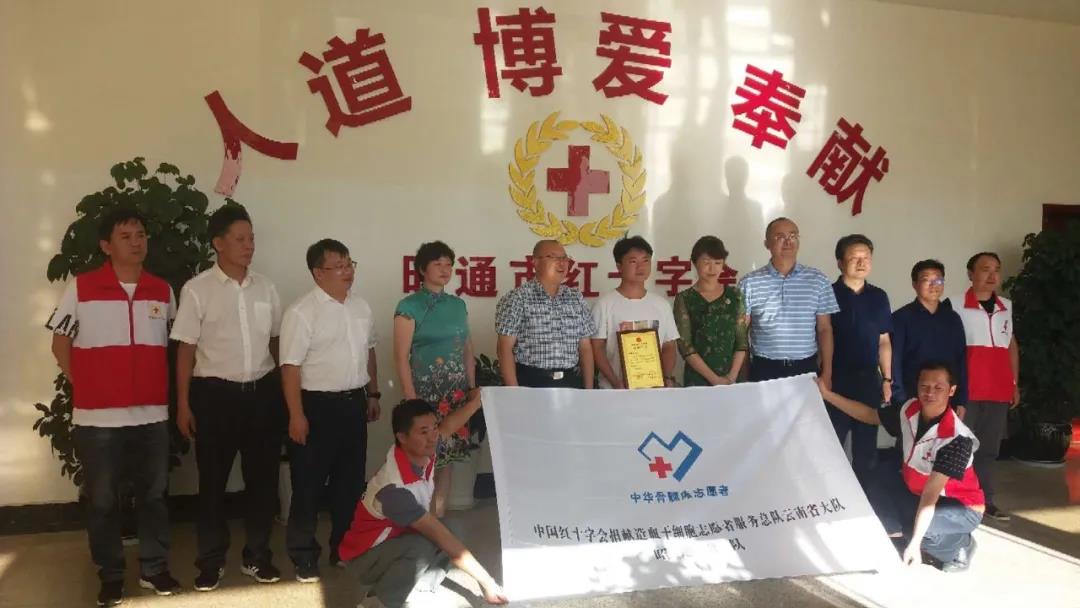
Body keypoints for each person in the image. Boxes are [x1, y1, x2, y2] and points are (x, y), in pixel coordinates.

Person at [46, 208, 180, 606]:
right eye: (126, 236)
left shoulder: (162, 290)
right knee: (103, 501)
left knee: (154, 496)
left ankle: (154, 568)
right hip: (98, 419)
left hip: (152, 415)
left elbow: (173, 345)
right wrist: (87, 384)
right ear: (106, 246)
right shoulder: (81, 288)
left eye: (141, 235)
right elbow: (60, 344)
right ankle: (111, 575)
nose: (137, 242)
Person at [170, 205, 284, 590]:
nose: (249, 245)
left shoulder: (266, 287)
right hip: (214, 396)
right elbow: (185, 349)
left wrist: (283, 394)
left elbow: (276, 341)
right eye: (240, 239)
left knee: (263, 482)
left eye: (251, 238)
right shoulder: (197, 289)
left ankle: (258, 556)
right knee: (213, 484)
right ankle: (210, 561)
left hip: (261, 393)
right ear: (218, 243)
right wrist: (183, 404)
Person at [340, 395, 508, 608]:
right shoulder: (395, 489)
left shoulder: (420, 451)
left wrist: (476, 402)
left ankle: (418, 586)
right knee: (423, 546)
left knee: (452, 529)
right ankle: (376, 602)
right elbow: (441, 538)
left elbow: (449, 426)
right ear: (402, 437)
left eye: (434, 428)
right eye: (423, 431)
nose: (433, 437)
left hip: (395, 540)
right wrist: (487, 582)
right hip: (364, 558)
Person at [279, 239, 382, 582]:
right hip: (315, 407)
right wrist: (296, 415)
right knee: (307, 484)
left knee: (349, 483)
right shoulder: (301, 312)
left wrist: (373, 393)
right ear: (318, 273)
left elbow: (369, 350)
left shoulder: (361, 307)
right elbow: (290, 367)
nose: (347, 271)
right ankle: (303, 555)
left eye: (349, 263)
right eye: (338, 266)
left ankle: (343, 548)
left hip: (353, 403)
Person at [818, 362, 984, 572]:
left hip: (961, 506)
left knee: (915, 530)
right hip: (916, 490)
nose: (930, 392)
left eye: (938, 387)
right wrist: (827, 395)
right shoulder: (910, 410)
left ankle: (961, 545)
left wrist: (915, 544)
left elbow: (930, 496)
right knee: (875, 478)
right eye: (924, 386)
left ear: (951, 390)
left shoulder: (957, 439)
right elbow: (870, 415)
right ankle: (901, 531)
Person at [393, 241, 476, 517]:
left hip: (455, 394)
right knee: (424, 457)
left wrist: (472, 388)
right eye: (437, 264)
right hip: (424, 394)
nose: (445, 269)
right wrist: (411, 399)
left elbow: (467, 349)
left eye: (449, 264)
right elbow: (400, 357)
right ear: (421, 269)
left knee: (446, 459)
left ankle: (438, 517)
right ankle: (420, 519)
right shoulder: (409, 306)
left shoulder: (458, 305)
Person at [950, 252, 1020, 522]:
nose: (992, 275)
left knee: (989, 450)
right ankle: (956, 500)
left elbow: (1010, 345)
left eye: (996, 270)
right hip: (967, 390)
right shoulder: (954, 305)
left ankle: (985, 500)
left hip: (998, 389)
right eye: (985, 269)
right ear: (970, 274)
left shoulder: (1006, 306)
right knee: (960, 447)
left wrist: (1014, 383)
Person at [739, 217, 839, 383]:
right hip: (764, 368)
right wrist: (744, 373)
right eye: (780, 237)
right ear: (767, 244)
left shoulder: (818, 280)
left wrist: (827, 372)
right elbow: (741, 333)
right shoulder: (749, 283)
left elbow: (824, 329)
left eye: (793, 236)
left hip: (805, 368)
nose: (788, 242)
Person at [828, 234, 893, 484]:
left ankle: (864, 497)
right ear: (840, 262)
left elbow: (884, 341)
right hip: (836, 380)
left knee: (866, 450)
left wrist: (887, 379)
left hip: (868, 381)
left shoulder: (879, 297)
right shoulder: (827, 294)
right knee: (831, 444)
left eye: (866, 257)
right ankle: (833, 497)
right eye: (854, 257)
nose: (861, 262)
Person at [495, 239, 596, 388]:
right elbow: (504, 349)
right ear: (535, 262)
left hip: (570, 382)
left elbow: (585, 348)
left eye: (564, 258)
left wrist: (588, 390)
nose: (561, 263)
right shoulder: (517, 298)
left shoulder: (576, 298)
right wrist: (515, 393)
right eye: (553, 257)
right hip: (531, 383)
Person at [592, 236, 679, 388]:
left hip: (654, 390)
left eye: (645, 261)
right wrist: (615, 383)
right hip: (614, 390)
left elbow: (669, 346)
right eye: (633, 261)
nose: (641, 267)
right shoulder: (604, 304)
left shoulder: (662, 305)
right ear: (619, 266)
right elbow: (597, 348)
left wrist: (665, 377)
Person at [890, 260, 968, 410]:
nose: (934, 285)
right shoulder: (901, 318)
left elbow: (961, 360)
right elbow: (894, 361)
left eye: (938, 280)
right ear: (914, 284)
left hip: (947, 399)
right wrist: (900, 400)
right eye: (926, 280)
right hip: (912, 397)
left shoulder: (953, 318)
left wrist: (961, 400)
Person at [672, 236, 748, 386]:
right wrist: (715, 379)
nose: (712, 269)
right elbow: (685, 346)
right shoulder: (685, 299)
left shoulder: (735, 296)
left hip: (732, 379)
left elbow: (741, 341)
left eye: (718, 263)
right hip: (698, 379)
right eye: (706, 262)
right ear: (695, 263)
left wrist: (731, 377)